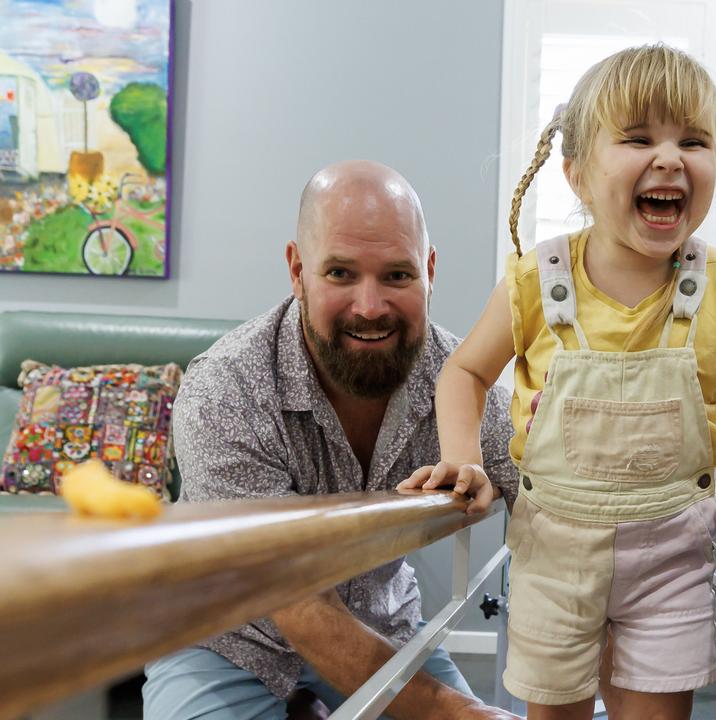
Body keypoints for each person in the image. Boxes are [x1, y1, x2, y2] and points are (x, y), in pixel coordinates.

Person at [397, 44, 716, 720]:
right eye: (638, 139)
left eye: (694, 140)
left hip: (670, 563)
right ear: (575, 173)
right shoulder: (539, 280)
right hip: (554, 556)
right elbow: (465, 372)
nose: (669, 157)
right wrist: (461, 460)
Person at [142, 160, 520, 720]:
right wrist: (461, 713)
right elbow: (292, 598)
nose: (370, 307)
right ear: (297, 271)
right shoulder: (225, 389)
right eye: (340, 273)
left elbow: (546, 495)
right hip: (224, 637)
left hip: (382, 624)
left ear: (430, 271)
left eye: (397, 275)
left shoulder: (459, 378)